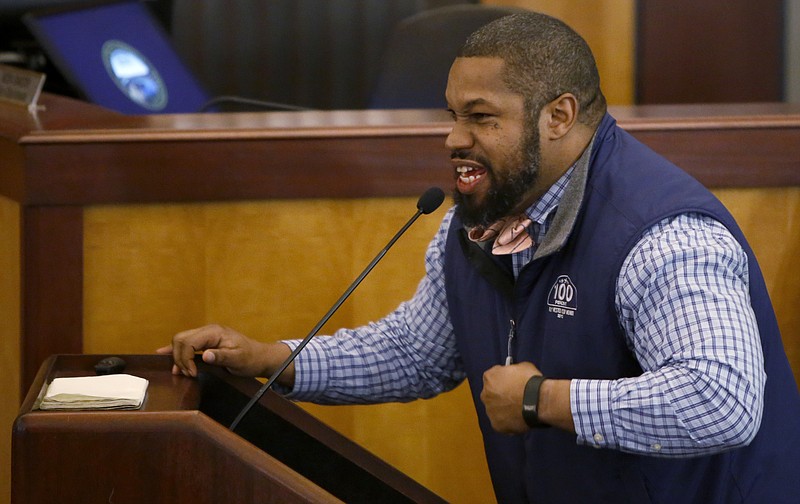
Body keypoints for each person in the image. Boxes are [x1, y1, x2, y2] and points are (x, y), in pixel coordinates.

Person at [158, 12, 800, 503]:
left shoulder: (662, 235)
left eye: (481, 117)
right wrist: (275, 361)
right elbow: (420, 352)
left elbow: (723, 401)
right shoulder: (489, 219)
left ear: (559, 115)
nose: (453, 138)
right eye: (452, 114)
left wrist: (545, 401)